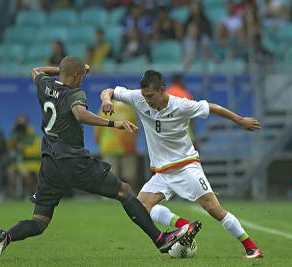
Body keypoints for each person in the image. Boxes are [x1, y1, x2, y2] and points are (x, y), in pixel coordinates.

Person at [0, 56, 201, 261]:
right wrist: (113, 123)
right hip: (73, 161)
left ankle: (7, 237)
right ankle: (161, 239)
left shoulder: (45, 86)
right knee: (124, 192)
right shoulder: (75, 94)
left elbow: (35, 71)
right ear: (77, 75)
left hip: (50, 164)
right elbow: (80, 114)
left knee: (39, 222)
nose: (82, 80)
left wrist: (62, 70)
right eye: (82, 76)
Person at [100, 70, 263, 259]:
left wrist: (241, 120)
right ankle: (183, 226)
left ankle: (252, 248)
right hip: (162, 173)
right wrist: (106, 100)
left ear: (162, 90)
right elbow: (109, 90)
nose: (147, 100)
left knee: (213, 209)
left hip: (186, 166)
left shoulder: (181, 105)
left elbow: (213, 107)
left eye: (151, 96)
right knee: (140, 208)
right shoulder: (139, 98)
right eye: (144, 95)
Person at [94, 101, 139, 192]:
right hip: (127, 147)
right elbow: (136, 129)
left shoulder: (104, 109)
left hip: (109, 146)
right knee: (129, 175)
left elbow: (98, 128)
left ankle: (108, 196)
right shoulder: (130, 109)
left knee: (110, 174)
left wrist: (99, 142)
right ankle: (131, 194)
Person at [6, 115, 41, 198]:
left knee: (25, 173)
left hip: (33, 163)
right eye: (19, 123)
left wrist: (24, 149)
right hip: (20, 163)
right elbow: (8, 147)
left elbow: (37, 150)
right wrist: (13, 133)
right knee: (10, 171)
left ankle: (30, 193)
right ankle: (14, 194)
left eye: (23, 123)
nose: (21, 125)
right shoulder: (16, 135)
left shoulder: (33, 135)